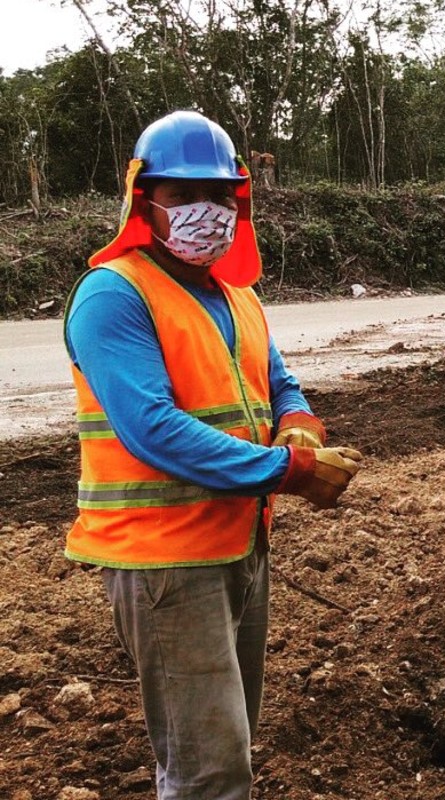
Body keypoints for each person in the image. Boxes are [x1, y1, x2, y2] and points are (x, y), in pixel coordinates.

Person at [63, 109, 363, 799]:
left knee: (227, 747)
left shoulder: (236, 294)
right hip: (165, 563)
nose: (209, 210)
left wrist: (300, 430)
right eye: (186, 195)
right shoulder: (114, 295)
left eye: (222, 196)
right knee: (208, 772)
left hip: (237, 548)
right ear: (145, 200)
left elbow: (279, 381)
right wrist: (287, 471)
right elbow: (153, 429)